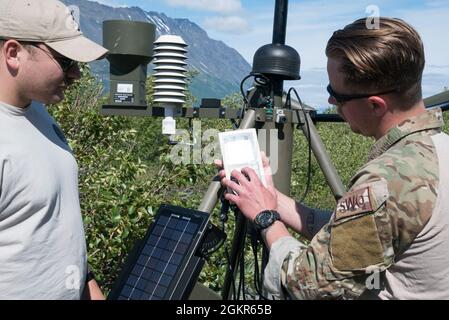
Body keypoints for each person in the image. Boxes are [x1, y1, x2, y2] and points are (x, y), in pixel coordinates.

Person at [219, 17, 449, 299]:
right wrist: (270, 197)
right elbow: (356, 231)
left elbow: (308, 285)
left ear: (375, 105)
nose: (330, 103)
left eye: (335, 94)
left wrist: (266, 219)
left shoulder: (388, 180)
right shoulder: (436, 151)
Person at [0, 0, 108, 299]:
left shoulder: (38, 113)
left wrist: (89, 286)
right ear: (13, 53)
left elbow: (54, 227)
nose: (76, 74)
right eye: (65, 61)